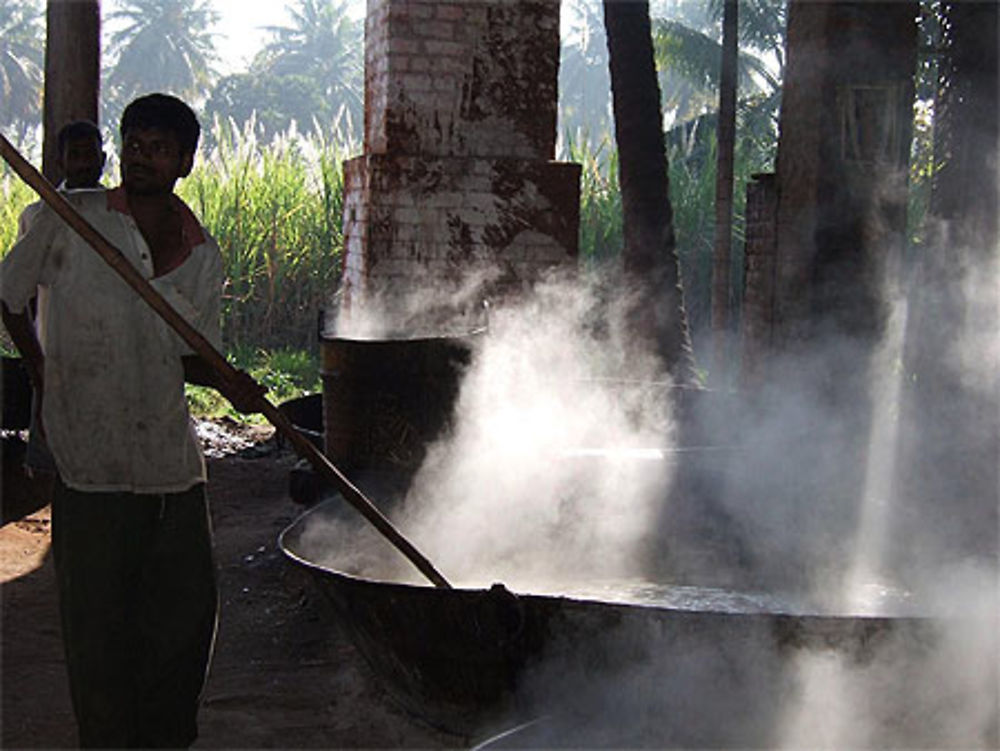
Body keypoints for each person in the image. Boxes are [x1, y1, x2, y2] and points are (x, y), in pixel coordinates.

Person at [0, 93, 263, 748]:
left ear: (186, 161)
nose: (143, 156)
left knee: (185, 623)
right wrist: (38, 363)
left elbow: (188, 356)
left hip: (172, 469)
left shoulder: (202, 255)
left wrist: (230, 383)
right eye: (135, 143)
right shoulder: (70, 217)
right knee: (97, 638)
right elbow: (7, 292)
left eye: (160, 147)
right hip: (92, 468)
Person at [17, 120, 108, 481]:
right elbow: (19, 293)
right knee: (57, 464)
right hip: (55, 351)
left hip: (107, 354)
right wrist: (35, 361)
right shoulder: (37, 216)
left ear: (104, 159)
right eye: (76, 155)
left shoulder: (121, 215)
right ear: (61, 161)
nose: (85, 164)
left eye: (91, 155)